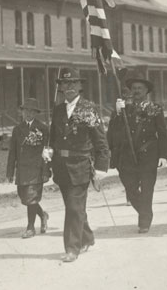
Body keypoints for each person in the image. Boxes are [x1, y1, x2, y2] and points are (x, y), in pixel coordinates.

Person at [43, 68, 110, 262]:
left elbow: (100, 141)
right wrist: (48, 151)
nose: (69, 87)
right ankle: (87, 236)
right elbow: (54, 138)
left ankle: (72, 248)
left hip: (81, 165)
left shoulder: (89, 108)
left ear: (80, 86)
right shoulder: (57, 110)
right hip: (61, 166)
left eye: (73, 83)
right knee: (74, 206)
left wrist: (101, 168)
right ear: (61, 87)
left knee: (73, 207)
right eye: (65, 84)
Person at [108, 74, 167, 234]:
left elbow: (162, 133)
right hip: (128, 156)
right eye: (133, 88)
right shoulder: (124, 109)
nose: (136, 91)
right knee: (130, 188)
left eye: (140, 88)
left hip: (148, 155)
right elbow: (113, 132)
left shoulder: (155, 109)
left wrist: (163, 155)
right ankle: (146, 212)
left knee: (147, 189)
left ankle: (144, 221)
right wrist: (117, 113)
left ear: (146, 91)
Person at [6, 98, 50, 238]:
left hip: (37, 169)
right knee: (24, 197)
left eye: (32, 111)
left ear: (36, 113)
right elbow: (13, 152)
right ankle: (43, 215)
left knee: (31, 197)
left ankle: (30, 227)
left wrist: (46, 170)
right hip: (22, 170)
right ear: (22, 112)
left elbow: (48, 151)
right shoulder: (17, 129)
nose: (28, 113)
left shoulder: (43, 128)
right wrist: (10, 172)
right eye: (26, 110)